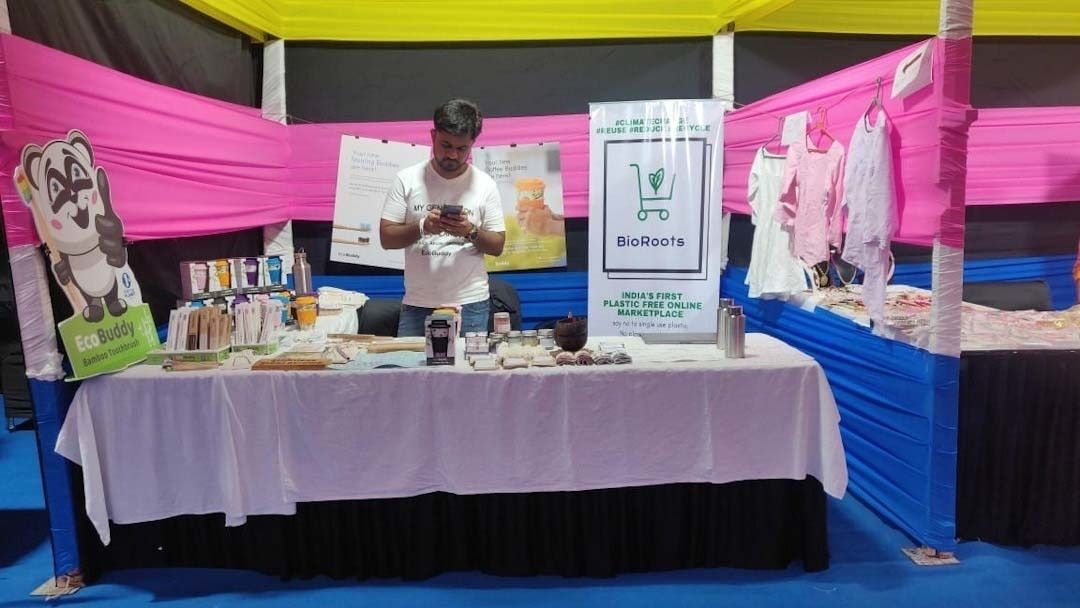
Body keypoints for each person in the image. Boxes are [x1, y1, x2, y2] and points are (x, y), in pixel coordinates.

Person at [380, 98, 506, 336]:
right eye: (445, 145)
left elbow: (498, 245)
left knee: (467, 362)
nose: (452, 155)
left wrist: (470, 231)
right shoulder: (406, 179)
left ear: (472, 144)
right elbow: (386, 238)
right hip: (418, 303)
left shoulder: (485, 184)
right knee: (410, 362)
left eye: (462, 149)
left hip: (470, 303)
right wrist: (423, 226)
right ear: (433, 135)